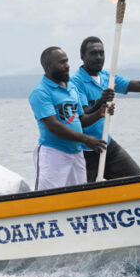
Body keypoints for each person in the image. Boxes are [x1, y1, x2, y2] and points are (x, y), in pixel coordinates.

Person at [71, 37, 140, 182]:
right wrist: (101, 102)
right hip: (85, 151)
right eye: (93, 53)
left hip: (106, 144)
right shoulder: (75, 82)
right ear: (82, 56)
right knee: (85, 197)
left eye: (101, 53)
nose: (98, 57)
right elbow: (84, 115)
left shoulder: (108, 77)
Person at [29, 46, 108, 191]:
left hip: (76, 154)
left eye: (67, 61)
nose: (67, 66)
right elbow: (53, 126)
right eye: (62, 62)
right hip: (53, 154)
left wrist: (99, 113)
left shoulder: (71, 87)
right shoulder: (40, 92)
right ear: (48, 66)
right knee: (48, 200)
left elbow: (81, 119)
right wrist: (86, 139)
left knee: (79, 198)